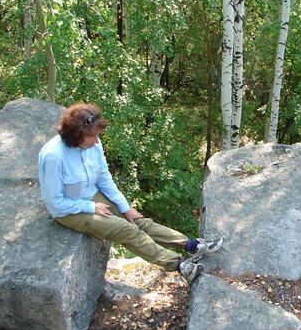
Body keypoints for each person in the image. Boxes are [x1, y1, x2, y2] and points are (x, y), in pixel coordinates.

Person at [38, 103, 222, 284]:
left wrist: (125, 207)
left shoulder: (93, 145)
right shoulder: (53, 156)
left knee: (138, 222)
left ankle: (191, 246)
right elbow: (55, 203)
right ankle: (179, 265)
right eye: (92, 136)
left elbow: (104, 178)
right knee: (127, 230)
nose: (96, 140)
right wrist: (91, 206)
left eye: (97, 135)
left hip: (92, 195)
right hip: (69, 210)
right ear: (76, 135)